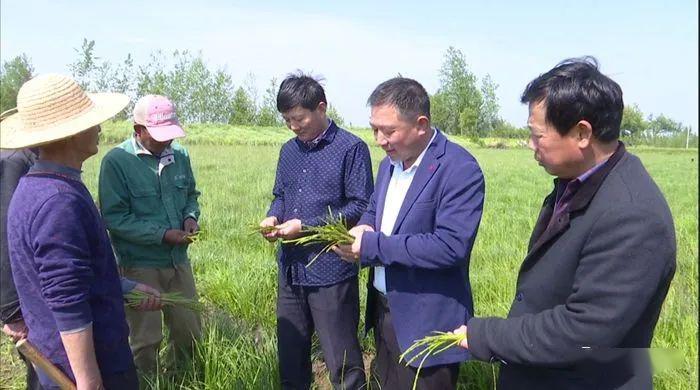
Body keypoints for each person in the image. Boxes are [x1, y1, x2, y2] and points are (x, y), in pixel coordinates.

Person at [452, 57, 677, 389]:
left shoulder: (632, 214)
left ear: (582, 133)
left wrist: (486, 335)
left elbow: (584, 332)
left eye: (537, 135)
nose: (531, 145)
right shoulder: (576, 183)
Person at [334, 77, 485, 390]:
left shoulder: (459, 169)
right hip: (385, 311)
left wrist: (372, 245)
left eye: (388, 130)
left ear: (421, 124)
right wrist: (364, 226)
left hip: (427, 322)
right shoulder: (389, 165)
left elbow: (449, 246)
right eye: (374, 128)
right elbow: (376, 211)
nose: (379, 139)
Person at [1, 73, 140, 389]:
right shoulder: (59, 200)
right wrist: (89, 380)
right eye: (90, 121)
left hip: (58, 357)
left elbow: (67, 275)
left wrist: (123, 287)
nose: (99, 127)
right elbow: (67, 299)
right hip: (87, 368)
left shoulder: (36, 186)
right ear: (70, 133)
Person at [259, 73, 373, 389]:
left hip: (331, 271)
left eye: (299, 118)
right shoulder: (288, 151)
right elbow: (280, 196)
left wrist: (306, 227)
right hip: (291, 270)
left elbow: (360, 205)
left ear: (321, 107)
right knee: (292, 358)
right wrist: (272, 217)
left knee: (342, 360)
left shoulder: (351, 149)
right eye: (287, 120)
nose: (294, 126)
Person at [98, 94, 202, 376]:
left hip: (178, 260)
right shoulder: (117, 162)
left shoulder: (179, 156)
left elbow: (191, 195)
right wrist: (162, 234)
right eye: (158, 136)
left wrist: (190, 217)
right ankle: (146, 382)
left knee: (189, 329)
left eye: (169, 134)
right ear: (138, 130)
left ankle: (183, 378)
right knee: (145, 339)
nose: (166, 141)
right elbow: (114, 218)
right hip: (139, 264)